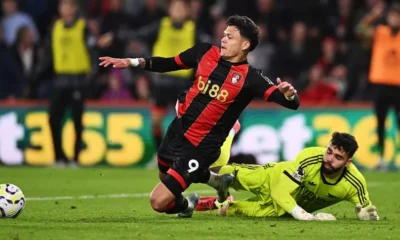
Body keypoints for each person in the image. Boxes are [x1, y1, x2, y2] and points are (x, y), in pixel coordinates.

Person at [99, 15, 300, 218]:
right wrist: (132, 61)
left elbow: (290, 103)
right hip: (177, 131)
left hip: (201, 147)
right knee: (165, 180)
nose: (223, 39)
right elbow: (169, 63)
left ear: (245, 44)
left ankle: (202, 189)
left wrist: (290, 94)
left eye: (230, 37)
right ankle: (199, 196)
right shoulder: (205, 52)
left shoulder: (251, 77)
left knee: (158, 202)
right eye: (224, 35)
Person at [197, 132, 380, 221]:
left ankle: (206, 203)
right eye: (329, 152)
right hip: (273, 178)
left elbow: (366, 208)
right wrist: (303, 215)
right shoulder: (310, 158)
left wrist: (366, 215)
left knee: (233, 211)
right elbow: (279, 190)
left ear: (348, 163)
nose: (329, 159)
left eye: (338, 157)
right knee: (228, 173)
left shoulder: (354, 183)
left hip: (282, 208)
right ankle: (188, 179)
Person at [34, 0, 98, 167]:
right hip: (60, 79)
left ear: (75, 8)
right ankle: (59, 157)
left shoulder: (83, 27)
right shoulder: (55, 28)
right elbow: (49, 54)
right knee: (53, 118)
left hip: (78, 79)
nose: (65, 8)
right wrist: (37, 74)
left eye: (68, 5)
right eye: (62, 5)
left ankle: (76, 159)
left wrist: (93, 73)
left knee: (77, 120)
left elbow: (92, 51)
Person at [359, 3, 400, 170]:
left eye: (397, 16)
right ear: (387, 17)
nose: (394, 19)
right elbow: (361, 30)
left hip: (398, 85)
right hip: (380, 84)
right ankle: (381, 158)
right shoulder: (380, 32)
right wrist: (373, 15)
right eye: (392, 16)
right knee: (380, 121)